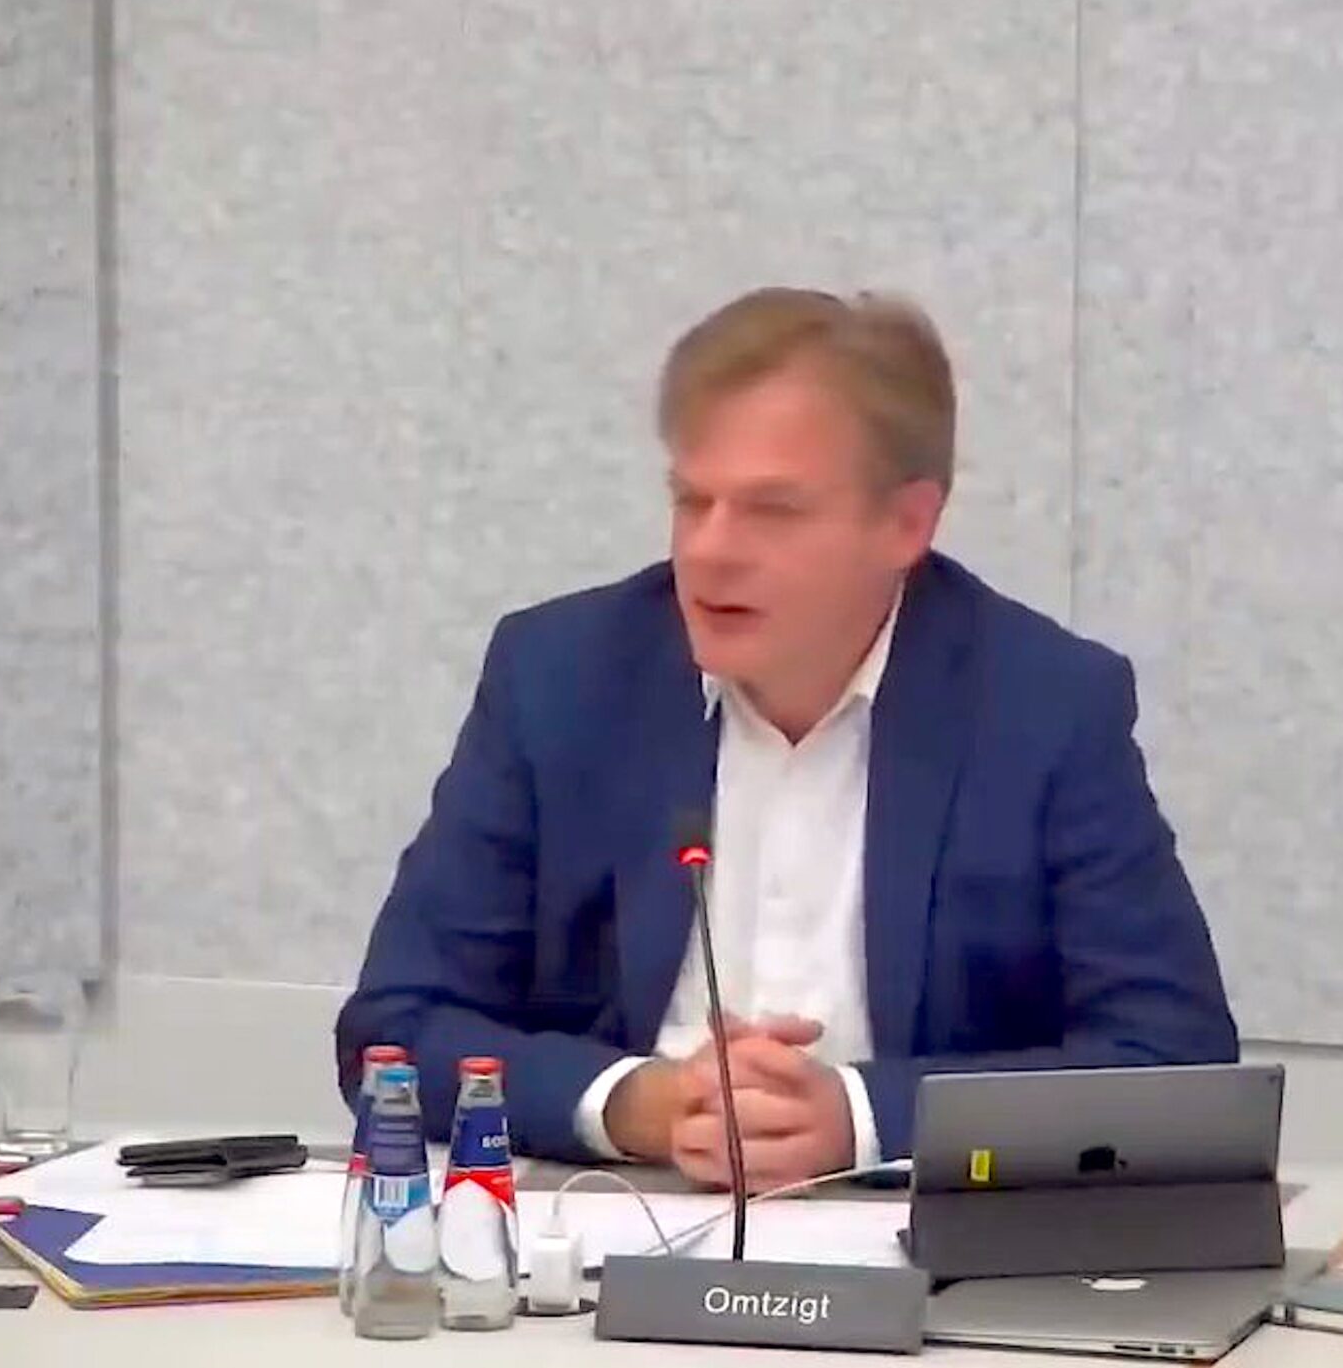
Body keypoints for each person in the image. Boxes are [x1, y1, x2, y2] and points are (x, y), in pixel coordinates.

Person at [335, 287, 1237, 1188]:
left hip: (909, 1219)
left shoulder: (1043, 706)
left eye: (771, 511)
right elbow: (395, 1029)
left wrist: (859, 1119)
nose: (711, 551)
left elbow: (1173, 1061)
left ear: (907, 524)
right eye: (692, 502)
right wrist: (637, 1105)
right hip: (615, 1207)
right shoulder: (562, 679)